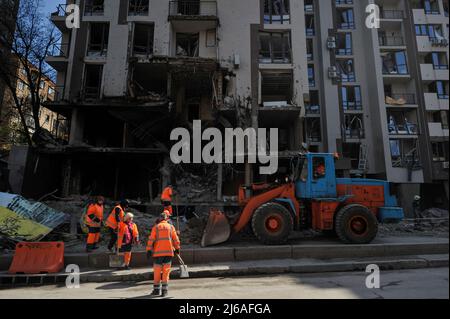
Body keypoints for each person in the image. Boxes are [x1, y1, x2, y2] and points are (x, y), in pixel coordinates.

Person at [146, 212, 181, 297]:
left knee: (157, 271)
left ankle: (156, 290)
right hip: (168, 253)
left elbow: (151, 239)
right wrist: (177, 248)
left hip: (158, 254)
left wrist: (148, 250)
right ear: (166, 219)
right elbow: (175, 239)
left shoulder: (156, 227)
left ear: (160, 218)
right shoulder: (171, 227)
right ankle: (164, 291)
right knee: (166, 271)